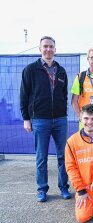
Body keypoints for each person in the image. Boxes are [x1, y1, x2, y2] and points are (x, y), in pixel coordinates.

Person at [20, 36, 71, 202]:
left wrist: (63, 113)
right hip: (40, 120)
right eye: (45, 46)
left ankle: (64, 187)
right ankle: (42, 189)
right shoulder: (30, 70)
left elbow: (64, 95)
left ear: (55, 49)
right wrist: (26, 118)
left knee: (63, 156)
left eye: (51, 47)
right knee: (41, 157)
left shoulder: (61, 70)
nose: (48, 49)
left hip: (60, 120)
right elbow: (24, 95)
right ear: (40, 49)